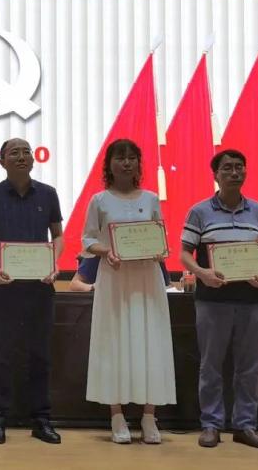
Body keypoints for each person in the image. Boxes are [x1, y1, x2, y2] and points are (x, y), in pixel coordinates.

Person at [180, 149, 258, 450]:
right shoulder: (199, 211)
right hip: (213, 299)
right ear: (216, 175)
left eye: (239, 167)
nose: (234, 172)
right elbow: (184, 253)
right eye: (227, 168)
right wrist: (202, 273)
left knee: (249, 367)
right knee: (211, 365)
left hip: (254, 300)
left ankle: (245, 425)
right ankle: (211, 424)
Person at [0, 138, 64, 445]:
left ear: (33, 160)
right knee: (1, 355)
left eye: (27, 152)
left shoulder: (48, 194)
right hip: (5, 286)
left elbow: (58, 234)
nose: (22, 157)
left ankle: (41, 420)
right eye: (14, 153)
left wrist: (54, 263)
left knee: (40, 355)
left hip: (40, 286)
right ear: (2, 161)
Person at [82, 139, 176, 444]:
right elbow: (87, 240)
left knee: (151, 340)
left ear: (139, 164)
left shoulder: (151, 198)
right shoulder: (99, 200)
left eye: (132, 158)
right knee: (114, 340)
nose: (126, 163)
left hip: (147, 277)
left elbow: (159, 236)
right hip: (114, 277)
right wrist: (106, 251)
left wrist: (160, 249)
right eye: (120, 158)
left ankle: (149, 416)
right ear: (108, 164)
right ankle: (117, 415)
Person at [70, 254, 169, 292]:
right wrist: (93, 287)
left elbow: (168, 286)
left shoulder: (152, 251)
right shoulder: (100, 251)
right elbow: (74, 284)